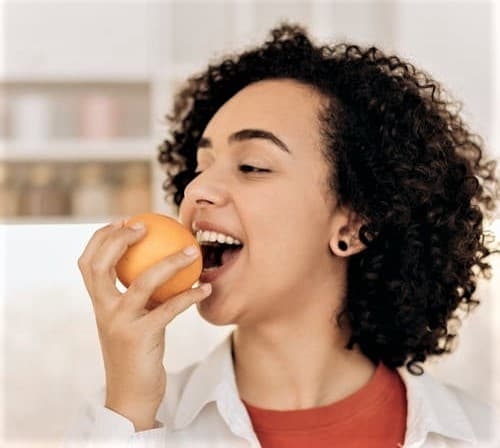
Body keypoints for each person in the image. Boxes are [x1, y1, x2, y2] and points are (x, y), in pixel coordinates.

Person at [66, 24, 500, 447]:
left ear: (353, 224)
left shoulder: (479, 435)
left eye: (252, 166)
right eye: (199, 168)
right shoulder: (121, 423)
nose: (195, 190)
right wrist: (129, 411)